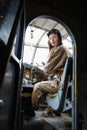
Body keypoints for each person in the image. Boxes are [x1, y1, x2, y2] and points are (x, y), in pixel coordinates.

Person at [32, 28, 72, 116]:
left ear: (59, 38)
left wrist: (51, 51)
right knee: (45, 82)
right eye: (50, 38)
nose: (52, 40)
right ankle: (50, 109)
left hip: (59, 83)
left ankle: (32, 110)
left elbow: (47, 69)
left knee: (37, 86)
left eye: (54, 37)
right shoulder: (64, 48)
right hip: (64, 82)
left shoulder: (60, 49)